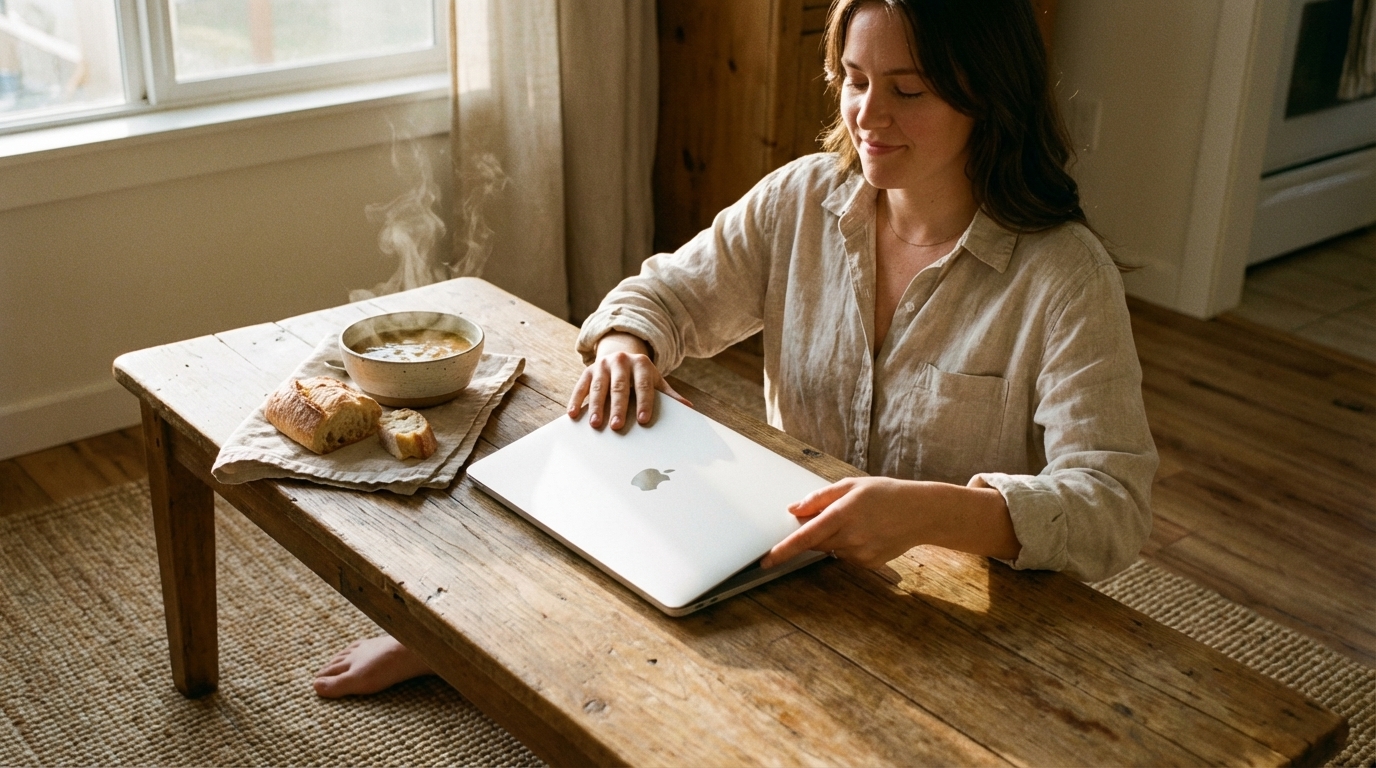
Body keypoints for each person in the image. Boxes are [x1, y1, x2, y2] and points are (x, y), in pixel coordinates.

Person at [313, 0, 1157, 698]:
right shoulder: (801, 200)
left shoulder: (1063, 275)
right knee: (602, 494)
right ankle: (470, 638)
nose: (868, 114)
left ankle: (488, 646)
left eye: (909, 90)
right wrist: (625, 345)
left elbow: (1112, 505)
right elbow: (661, 294)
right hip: (777, 555)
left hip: (954, 604)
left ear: (989, 96)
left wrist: (933, 511)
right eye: (855, 82)